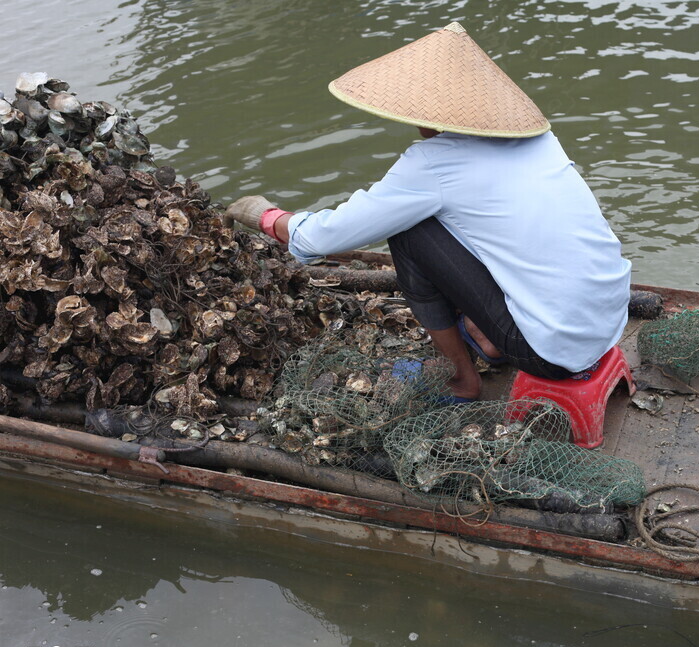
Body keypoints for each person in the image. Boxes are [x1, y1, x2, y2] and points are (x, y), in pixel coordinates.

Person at [226, 22, 631, 401]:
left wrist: (268, 217)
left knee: (410, 231)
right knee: (470, 223)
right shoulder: (541, 139)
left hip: (553, 354)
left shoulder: (433, 163)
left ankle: (461, 376)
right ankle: (488, 337)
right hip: (609, 323)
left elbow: (320, 238)